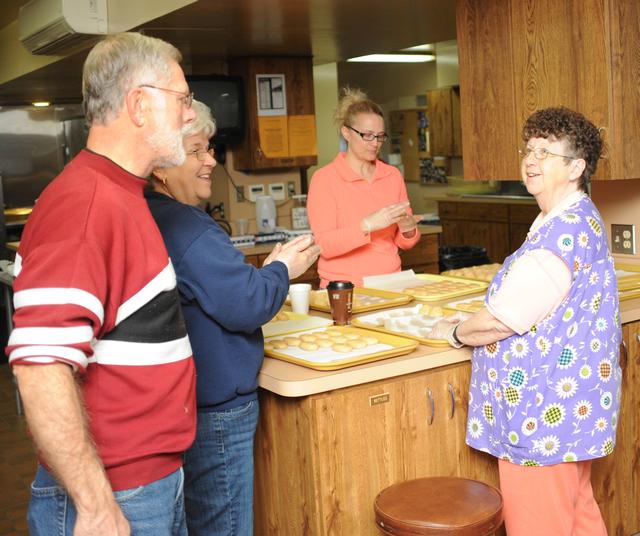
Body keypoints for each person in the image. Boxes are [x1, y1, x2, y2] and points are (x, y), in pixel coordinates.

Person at [7, 32, 199, 535]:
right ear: (139, 104)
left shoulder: (121, 193)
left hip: (149, 483)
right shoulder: (88, 206)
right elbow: (41, 366)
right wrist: (94, 505)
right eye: (182, 99)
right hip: (118, 494)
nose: (190, 115)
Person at [431, 107, 621, 536]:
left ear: (576, 167)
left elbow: (502, 321)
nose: (531, 160)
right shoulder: (575, 218)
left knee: (541, 526)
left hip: (542, 416)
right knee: (578, 517)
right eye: (529, 149)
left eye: (545, 152)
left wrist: (457, 332)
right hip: (570, 413)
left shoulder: (559, 235)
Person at [145, 100, 321, 536]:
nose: (211, 161)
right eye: (197, 150)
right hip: (216, 410)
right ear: (161, 166)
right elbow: (245, 305)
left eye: (210, 148)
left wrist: (266, 273)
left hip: (181, 403)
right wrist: (283, 269)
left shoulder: (146, 214)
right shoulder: (188, 228)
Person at [307, 87, 421, 287]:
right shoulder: (324, 179)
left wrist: (409, 230)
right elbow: (324, 245)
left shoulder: (392, 175)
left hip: (392, 282)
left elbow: (404, 242)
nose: (375, 143)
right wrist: (367, 225)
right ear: (346, 133)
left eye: (380, 136)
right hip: (345, 288)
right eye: (367, 135)